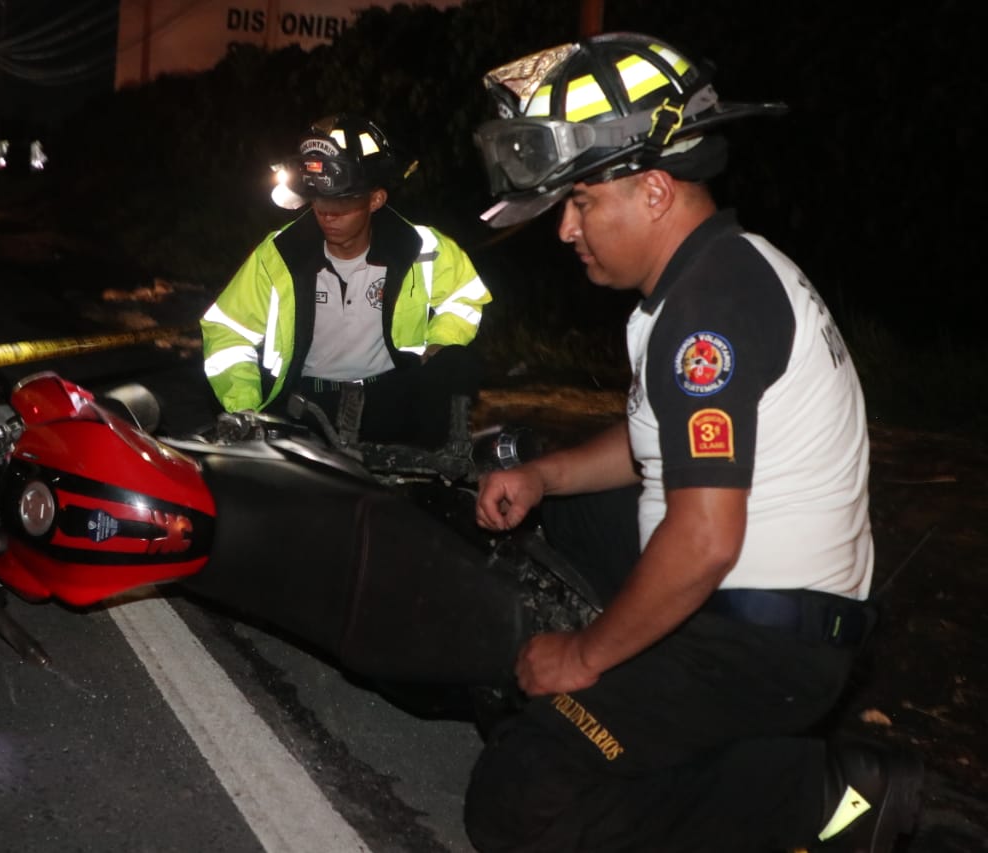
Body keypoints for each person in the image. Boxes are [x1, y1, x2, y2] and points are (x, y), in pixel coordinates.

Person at [462, 32, 923, 853]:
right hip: (774, 613)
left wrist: (581, 657)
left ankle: (825, 796)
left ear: (652, 190)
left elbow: (706, 538)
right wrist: (541, 476)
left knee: (519, 795)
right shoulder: (711, 277)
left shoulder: (706, 314)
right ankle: (673, 736)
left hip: (760, 642)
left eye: (581, 203)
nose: (567, 229)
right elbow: (656, 448)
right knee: (554, 523)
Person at [200, 113, 492, 448]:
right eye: (319, 200)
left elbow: (465, 296)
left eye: (342, 201)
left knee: (457, 364)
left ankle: (438, 478)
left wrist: (440, 341)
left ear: (375, 200)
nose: (327, 213)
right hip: (305, 405)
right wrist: (246, 409)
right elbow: (226, 330)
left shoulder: (419, 248)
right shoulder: (279, 254)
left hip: (392, 398)